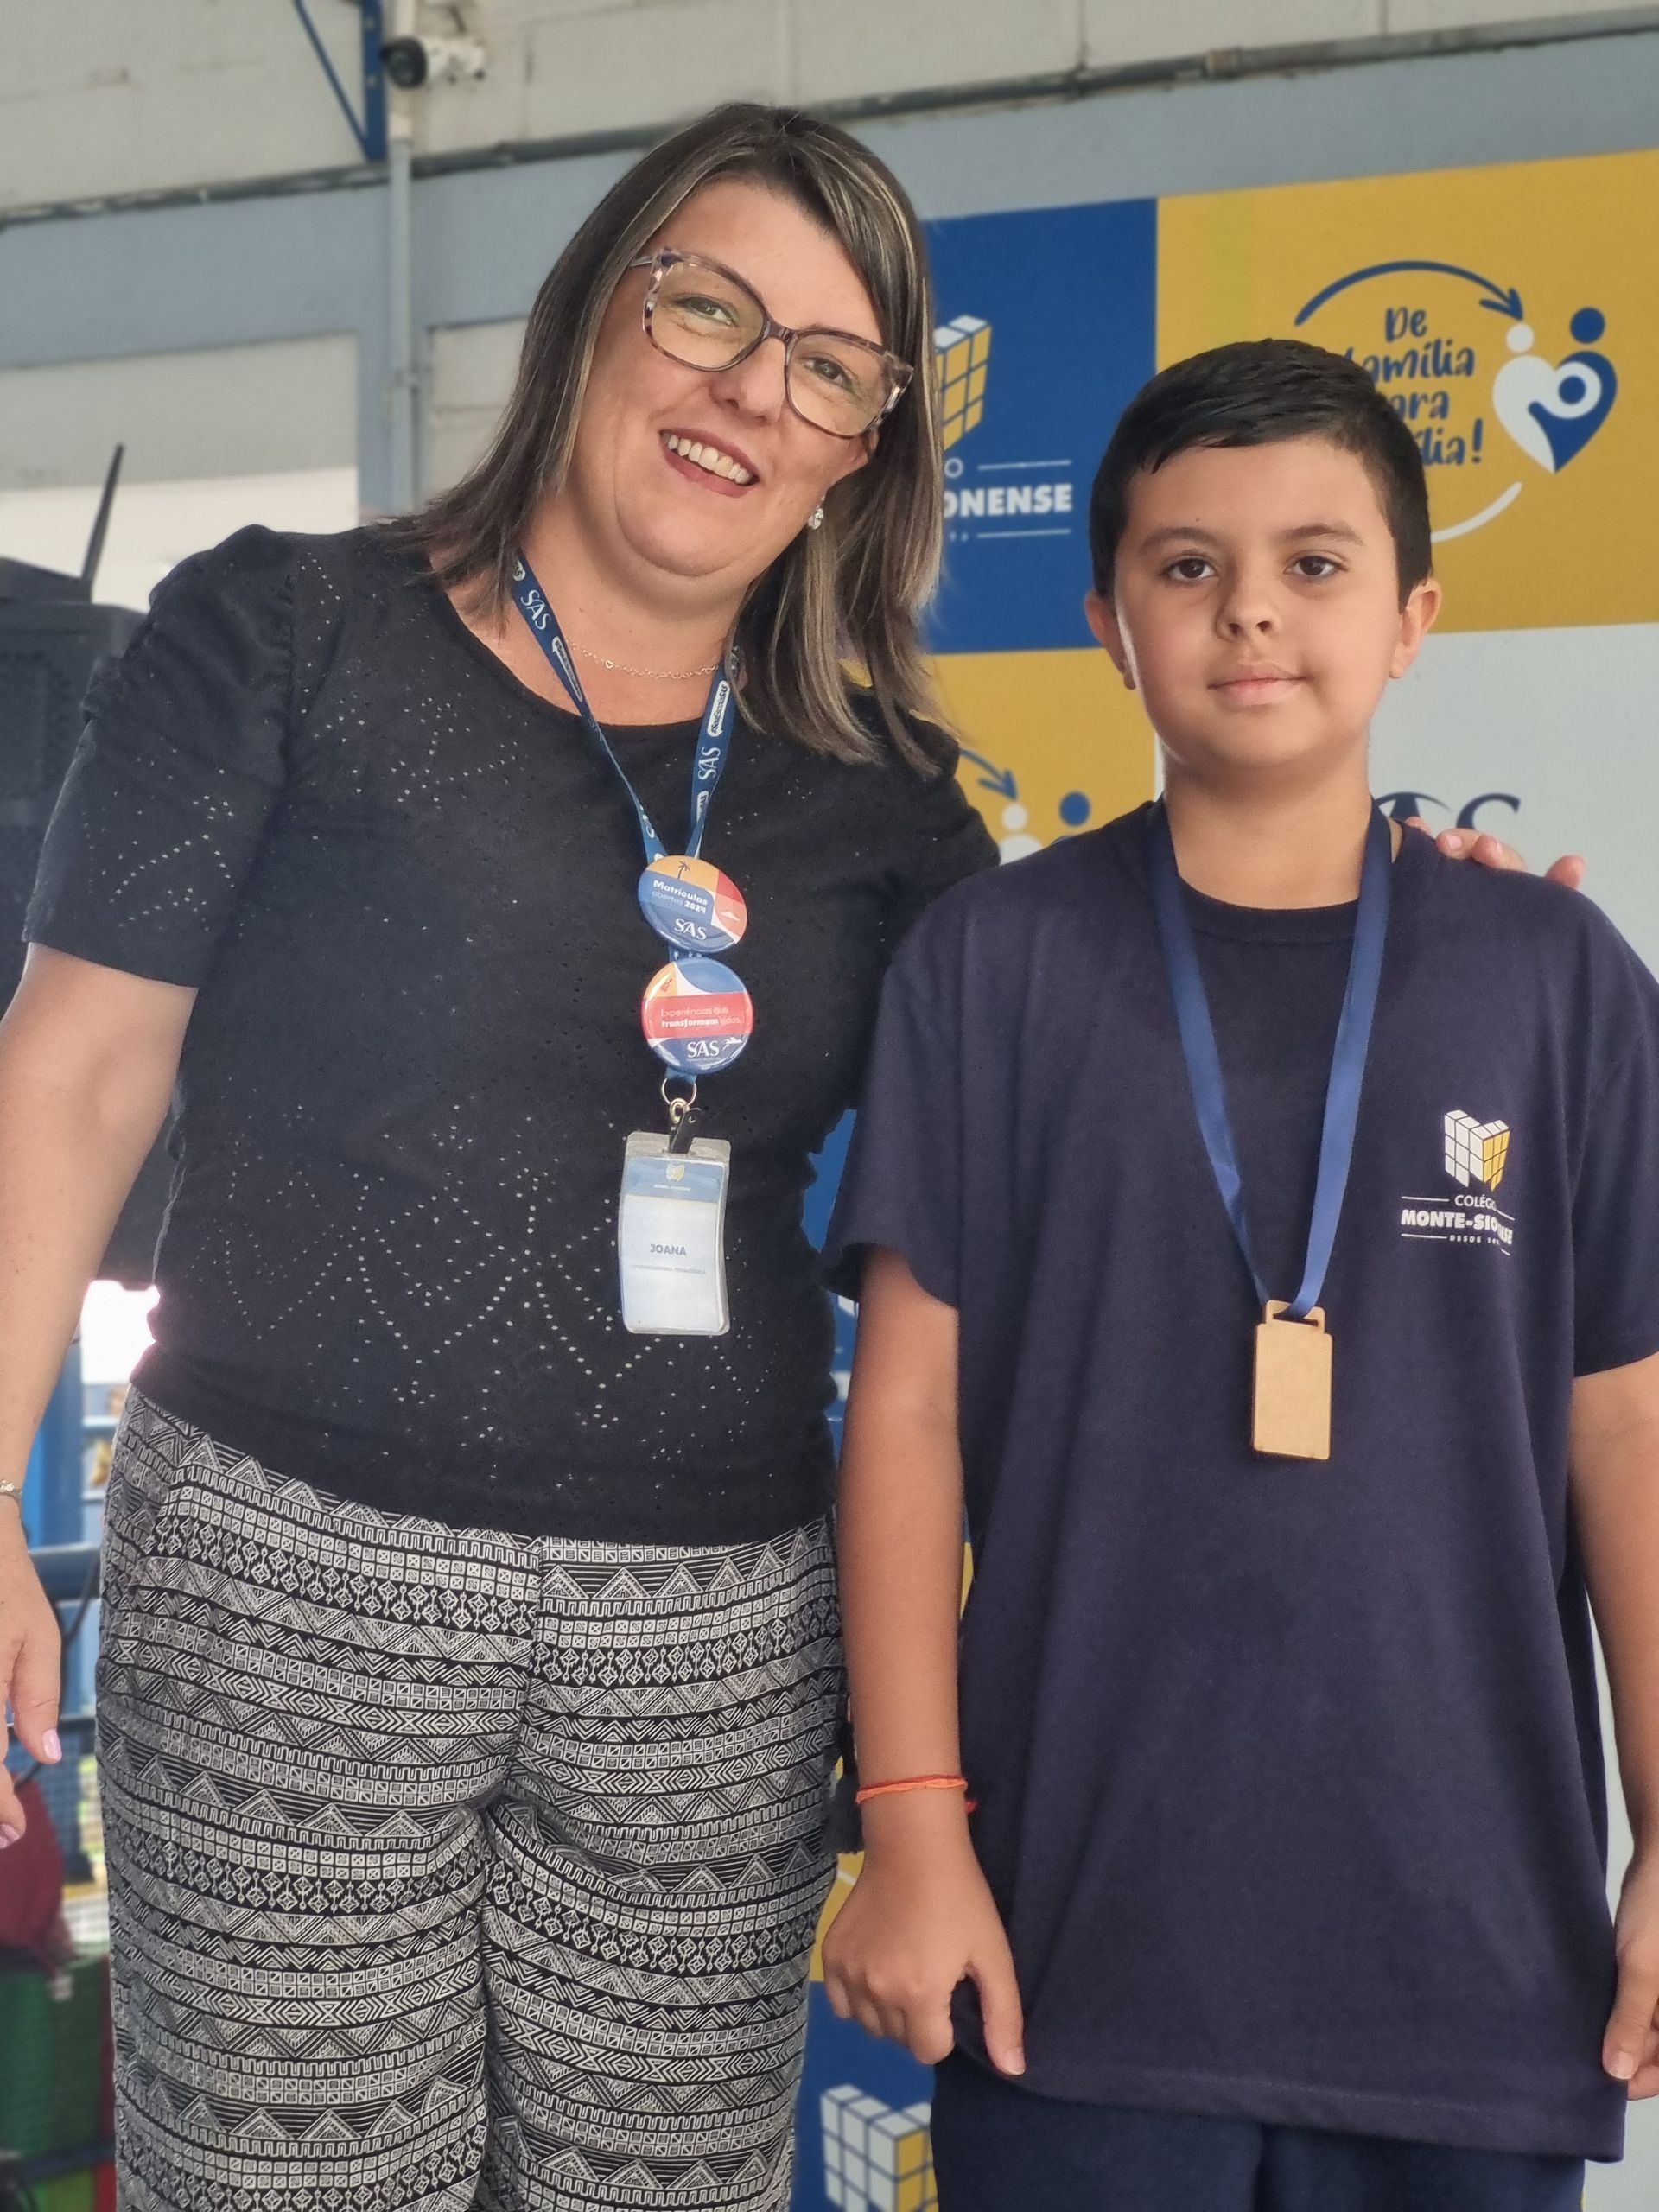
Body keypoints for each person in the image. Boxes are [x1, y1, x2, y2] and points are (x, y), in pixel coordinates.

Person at [0, 103, 1001, 2212]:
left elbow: (1044, 1157)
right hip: (281, 1583)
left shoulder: (894, 808)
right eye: (711, 308)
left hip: (717, 1643)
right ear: (593, 311)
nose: (756, 390)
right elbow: (76, 1071)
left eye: (831, 366)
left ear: (865, 449)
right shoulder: (281, 634)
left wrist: (1411, 926)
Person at [821, 338, 1659, 2212]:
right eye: (1187, 565)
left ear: (1415, 618)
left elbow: (1627, 1430)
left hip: (1473, 1966)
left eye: (1315, 562)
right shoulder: (994, 964)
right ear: (1109, 625)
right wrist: (912, 1827)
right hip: (1077, 1955)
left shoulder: (1557, 979)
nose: (1251, 611)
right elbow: (909, 1413)